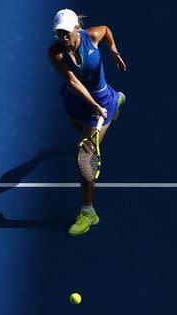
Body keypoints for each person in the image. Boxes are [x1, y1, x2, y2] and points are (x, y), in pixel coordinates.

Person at [48, 9, 127, 236]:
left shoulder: (92, 35)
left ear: (76, 28)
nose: (62, 37)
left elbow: (106, 30)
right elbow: (73, 82)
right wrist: (92, 105)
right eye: (58, 33)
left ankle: (88, 212)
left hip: (99, 101)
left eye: (65, 32)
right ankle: (118, 99)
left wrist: (112, 48)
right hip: (77, 99)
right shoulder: (55, 52)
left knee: (85, 155)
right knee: (76, 127)